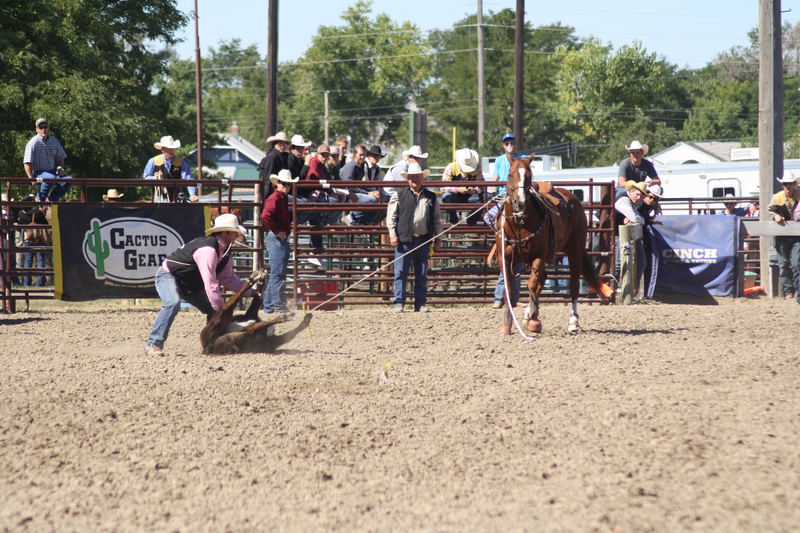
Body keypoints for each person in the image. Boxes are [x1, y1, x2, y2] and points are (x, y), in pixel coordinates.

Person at [144, 213, 254, 356]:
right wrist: (218, 306)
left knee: (213, 311)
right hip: (169, 275)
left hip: (189, 283)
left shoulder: (225, 251)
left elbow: (230, 280)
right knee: (173, 302)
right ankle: (153, 344)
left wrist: (252, 292)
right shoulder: (208, 250)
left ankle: (211, 345)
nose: (236, 236)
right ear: (225, 232)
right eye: (234, 232)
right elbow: (210, 281)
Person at [386, 162, 442, 313]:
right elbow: (391, 217)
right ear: (408, 179)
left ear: (422, 178)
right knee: (400, 272)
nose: (415, 180)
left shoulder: (430, 196)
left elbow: (437, 218)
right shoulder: (399, 195)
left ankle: (420, 303)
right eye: (412, 177)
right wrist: (392, 234)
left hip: (423, 239)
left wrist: (438, 237)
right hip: (404, 240)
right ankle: (399, 302)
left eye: (417, 177)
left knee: (421, 273)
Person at [485, 133, 523, 309]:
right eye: (507, 143)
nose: (510, 145)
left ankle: (506, 298)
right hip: (503, 196)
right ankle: (501, 233)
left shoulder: (521, 159)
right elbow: (494, 180)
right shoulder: (500, 161)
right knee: (488, 216)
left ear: (515, 144)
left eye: (512, 142)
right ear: (504, 145)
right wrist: (494, 195)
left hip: (518, 196)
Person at [261, 169, 299, 318]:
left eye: (288, 184)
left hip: (277, 238)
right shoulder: (276, 198)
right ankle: (278, 306)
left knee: (276, 274)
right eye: (284, 184)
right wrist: (277, 231)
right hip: (276, 239)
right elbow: (265, 216)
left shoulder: (280, 198)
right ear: (278, 184)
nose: (286, 186)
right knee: (278, 274)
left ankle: (269, 306)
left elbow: (266, 216)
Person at [768, 171, 800, 302]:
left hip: (797, 234)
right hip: (782, 234)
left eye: (790, 183)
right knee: (783, 263)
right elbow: (770, 209)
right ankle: (788, 290)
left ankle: (797, 290)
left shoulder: (799, 195)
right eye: (785, 184)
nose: (788, 186)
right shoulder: (777, 197)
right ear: (782, 185)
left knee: (797, 263)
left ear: (794, 184)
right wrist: (775, 216)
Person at [23, 118, 72, 202]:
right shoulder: (33, 143)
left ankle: (51, 198)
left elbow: (60, 157)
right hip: (39, 172)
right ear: (37, 129)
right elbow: (27, 162)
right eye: (40, 128)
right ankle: (40, 199)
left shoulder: (54, 141)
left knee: (68, 180)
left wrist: (60, 169)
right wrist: (31, 178)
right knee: (50, 178)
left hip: (52, 172)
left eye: (45, 127)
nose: (43, 129)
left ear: (48, 128)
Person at [143, 136, 198, 203]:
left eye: (173, 148)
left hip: (176, 195)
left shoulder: (180, 162)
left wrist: (192, 194)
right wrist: (156, 178)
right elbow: (146, 177)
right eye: (169, 148)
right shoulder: (153, 161)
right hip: (159, 196)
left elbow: (189, 178)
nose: (172, 150)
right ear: (163, 149)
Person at [441, 148, 485, 225]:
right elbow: (443, 187)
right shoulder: (451, 167)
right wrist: (457, 189)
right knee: (446, 197)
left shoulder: (477, 168)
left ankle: (471, 221)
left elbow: (482, 186)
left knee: (484, 197)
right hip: (455, 197)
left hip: (470, 197)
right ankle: (453, 220)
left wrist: (475, 190)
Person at [257, 131, 290, 199]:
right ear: (275, 144)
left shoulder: (282, 156)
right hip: (272, 192)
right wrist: (267, 196)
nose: (283, 146)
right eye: (280, 144)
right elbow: (268, 177)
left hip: (278, 190)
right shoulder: (272, 157)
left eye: (285, 144)